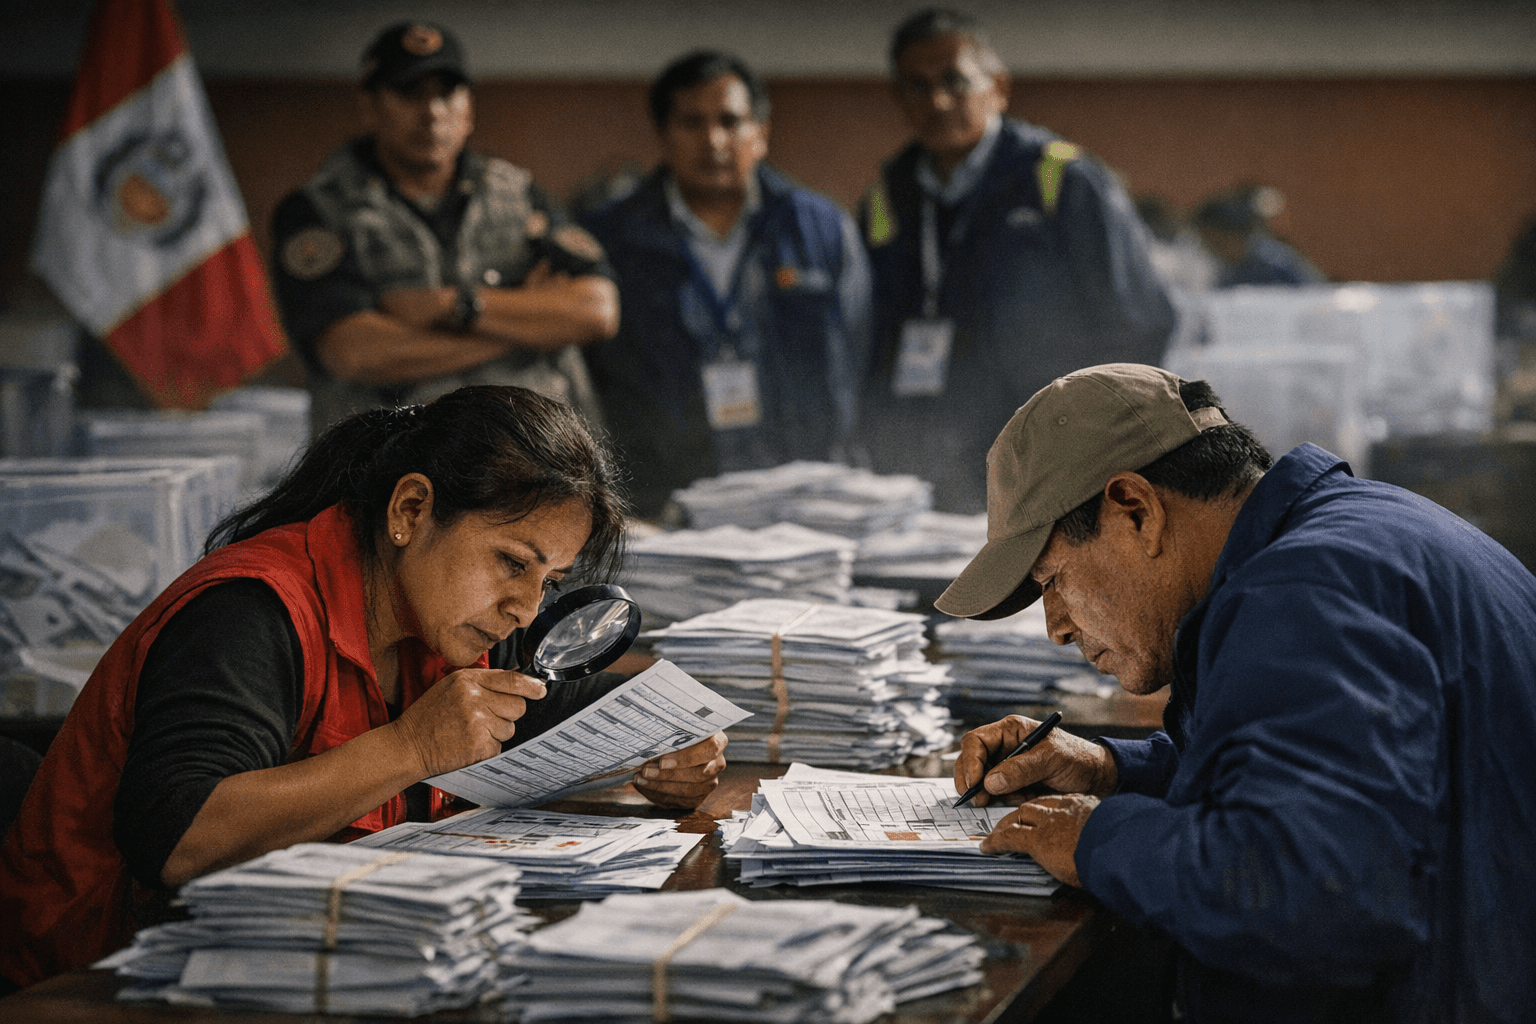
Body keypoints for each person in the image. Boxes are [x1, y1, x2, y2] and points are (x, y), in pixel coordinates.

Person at [0, 386, 728, 990]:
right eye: (512, 562)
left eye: (551, 580)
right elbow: (180, 840)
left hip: (309, 961)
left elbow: (536, 705)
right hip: (93, 981)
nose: (526, 608)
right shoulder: (250, 611)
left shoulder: (448, 616)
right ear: (410, 511)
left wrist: (666, 739)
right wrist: (411, 747)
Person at [939, 363, 1536, 1022]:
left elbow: (1315, 895)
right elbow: (1323, 777)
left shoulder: (1304, 595)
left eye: (1053, 581)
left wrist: (1097, 837)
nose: (1056, 628)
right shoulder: (1353, 536)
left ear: (1136, 509)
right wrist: (1113, 771)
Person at [859, 9, 1175, 513]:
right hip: (923, 467)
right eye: (917, 86)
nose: (937, 101)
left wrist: (1092, 445)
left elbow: (1140, 321)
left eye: (955, 81)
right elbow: (868, 335)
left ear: (999, 87)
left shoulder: (1061, 180)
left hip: (1046, 465)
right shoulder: (887, 197)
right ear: (899, 98)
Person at [270, 21, 618, 435]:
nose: (433, 113)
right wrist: (528, 330)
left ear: (469, 108)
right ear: (369, 106)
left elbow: (597, 310)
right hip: (391, 457)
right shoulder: (319, 210)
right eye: (410, 94)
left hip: (530, 449)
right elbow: (354, 352)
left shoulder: (516, 194)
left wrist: (455, 306)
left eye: (447, 94)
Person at [580, 50, 872, 519]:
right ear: (663, 134)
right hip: (666, 502)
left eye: (730, 121)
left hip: (805, 498)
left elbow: (859, 355)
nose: (713, 140)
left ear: (761, 133)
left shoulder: (821, 229)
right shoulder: (612, 239)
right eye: (691, 123)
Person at [1192, 186, 1327, 288]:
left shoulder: (1274, 261)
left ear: (1232, 238)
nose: (1208, 246)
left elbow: (1313, 297)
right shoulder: (1230, 270)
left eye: (1214, 241)